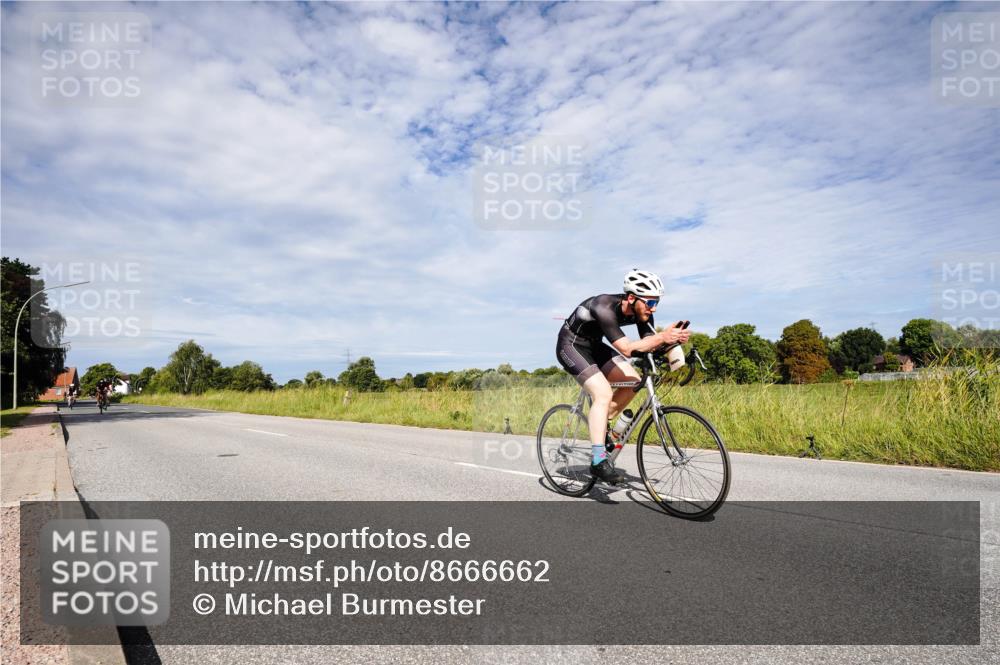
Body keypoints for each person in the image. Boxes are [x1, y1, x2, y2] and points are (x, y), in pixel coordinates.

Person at [556, 269, 691, 484]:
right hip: (571, 345)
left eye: (656, 302)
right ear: (631, 298)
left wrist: (670, 342)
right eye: (649, 302)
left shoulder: (643, 313)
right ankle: (598, 461)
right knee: (602, 393)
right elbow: (628, 349)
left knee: (634, 382)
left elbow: (648, 346)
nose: (653, 307)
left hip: (594, 346)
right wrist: (663, 336)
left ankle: (603, 427)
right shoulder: (603, 306)